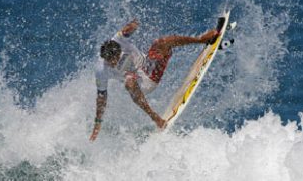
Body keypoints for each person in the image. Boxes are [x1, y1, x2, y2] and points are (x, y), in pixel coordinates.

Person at [89, 19, 218, 141]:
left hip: (151, 66)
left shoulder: (119, 39)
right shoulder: (101, 70)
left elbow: (131, 26)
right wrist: (98, 123)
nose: (114, 64)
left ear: (119, 51)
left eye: (116, 60)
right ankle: (156, 118)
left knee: (161, 42)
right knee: (129, 81)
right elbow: (101, 97)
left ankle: (201, 39)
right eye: (110, 62)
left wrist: (133, 25)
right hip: (143, 84)